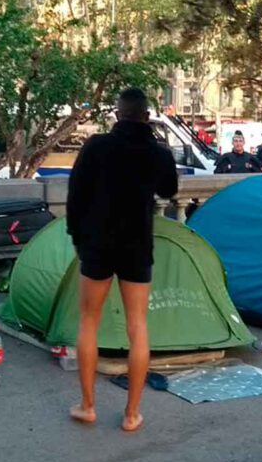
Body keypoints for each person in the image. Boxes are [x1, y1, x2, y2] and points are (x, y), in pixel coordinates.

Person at [66, 88, 179, 432]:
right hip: (136, 246)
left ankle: (88, 406)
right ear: (146, 116)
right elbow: (169, 190)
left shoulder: (96, 146)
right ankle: (131, 414)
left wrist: (78, 239)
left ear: (117, 114)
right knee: (138, 327)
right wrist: (157, 144)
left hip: (97, 245)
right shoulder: (155, 151)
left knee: (89, 322)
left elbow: (76, 195)